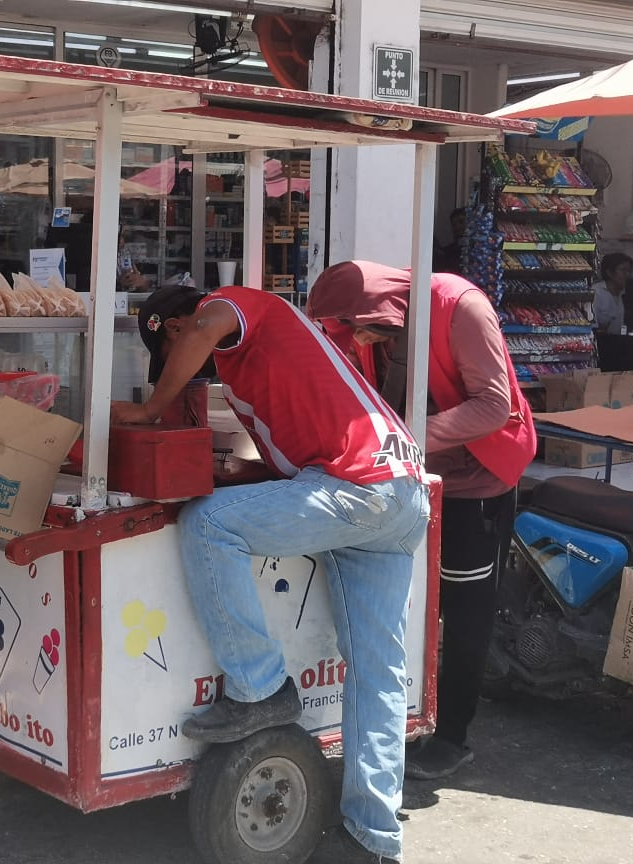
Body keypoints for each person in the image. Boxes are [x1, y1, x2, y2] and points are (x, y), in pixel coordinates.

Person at [112, 284, 429, 864]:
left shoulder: (234, 305)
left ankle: (260, 688)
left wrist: (150, 408)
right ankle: (372, 840)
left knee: (210, 526)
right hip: (402, 493)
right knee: (377, 675)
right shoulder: (256, 355)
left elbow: (207, 327)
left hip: (357, 488)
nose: (190, 360)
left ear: (179, 324)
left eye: (177, 344)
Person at [307, 260, 536, 782]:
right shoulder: (366, 322)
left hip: (478, 479)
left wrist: (405, 436)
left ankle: (453, 735)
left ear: (382, 309)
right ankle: (414, 716)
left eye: (360, 327)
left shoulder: (460, 307)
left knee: (462, 611)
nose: (357, 336)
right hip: (411, 477)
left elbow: (493, 406)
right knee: (410, 605)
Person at [592, 252, 633, 334]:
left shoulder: (627, 293)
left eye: (629, 271)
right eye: (623, 270)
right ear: (609, 273)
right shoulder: (596, 293)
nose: (627, 274)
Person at [433, 207, 466, 274]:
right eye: (454, 224)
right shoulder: (447, 252)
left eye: (461, 222)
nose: (457, 227)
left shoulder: (477, 251)